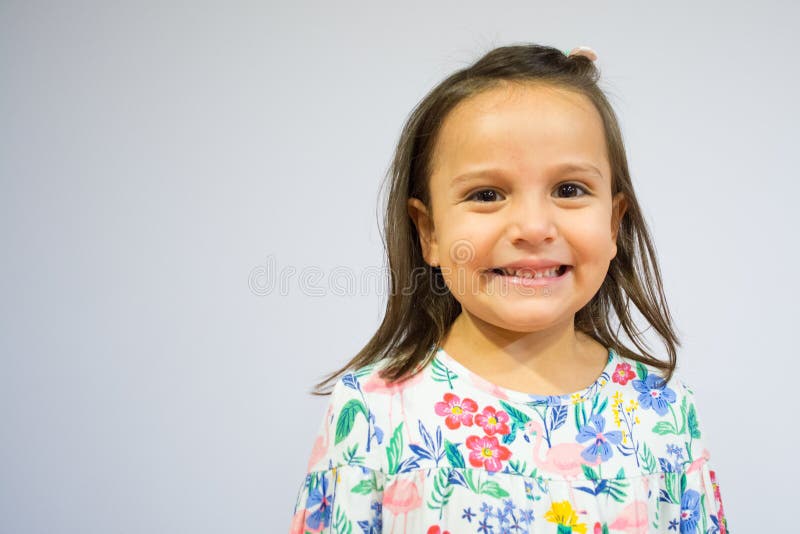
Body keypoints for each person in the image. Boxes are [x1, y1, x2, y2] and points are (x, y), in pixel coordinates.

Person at [288, 43, 729, 533]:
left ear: (614, 222)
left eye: (569, 190)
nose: (533, 227)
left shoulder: (663, 414)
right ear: (429, 232)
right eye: (487, 195)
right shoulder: (371, 412)